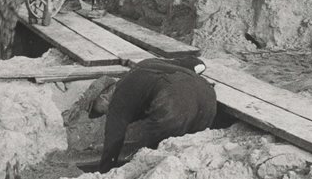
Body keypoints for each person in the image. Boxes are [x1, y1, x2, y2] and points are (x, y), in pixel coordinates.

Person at [90, 57, 230, 173]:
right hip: (208, 98)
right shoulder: (146, 64)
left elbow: (114, 136)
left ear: (104, 96)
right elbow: (197, 64)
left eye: (103, 111)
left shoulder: (118, 97)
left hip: (173, 102)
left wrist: (105, 171)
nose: (108, 113)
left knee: (152, 155)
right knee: (188, 151)